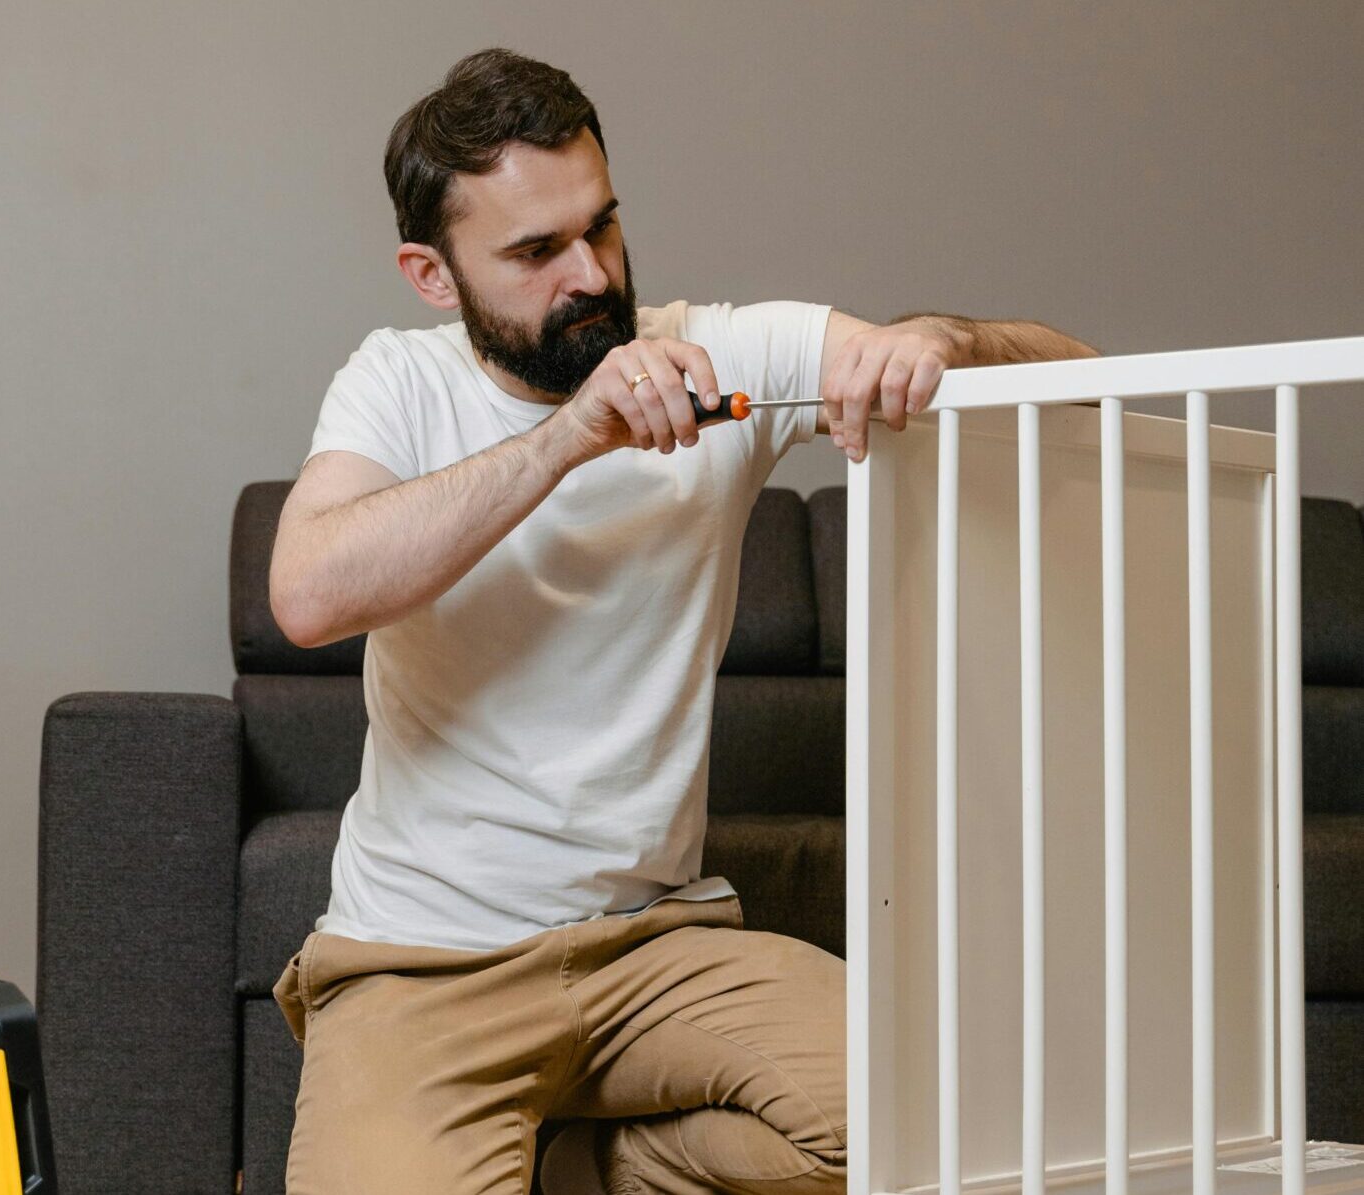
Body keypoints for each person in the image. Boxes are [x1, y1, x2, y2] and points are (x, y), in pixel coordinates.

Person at [267, 46, 1100, 1195]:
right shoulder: (397, 382)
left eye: (601, 227)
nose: (591, 275)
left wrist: (937, 346)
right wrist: (569, 439)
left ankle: (601, 1167)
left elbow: (1080, 370)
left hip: (656, 950)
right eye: (536, 251)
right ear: (432, 273)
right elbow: (308, 592)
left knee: (972, 1127)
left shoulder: (715, 354)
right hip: (423, 966)